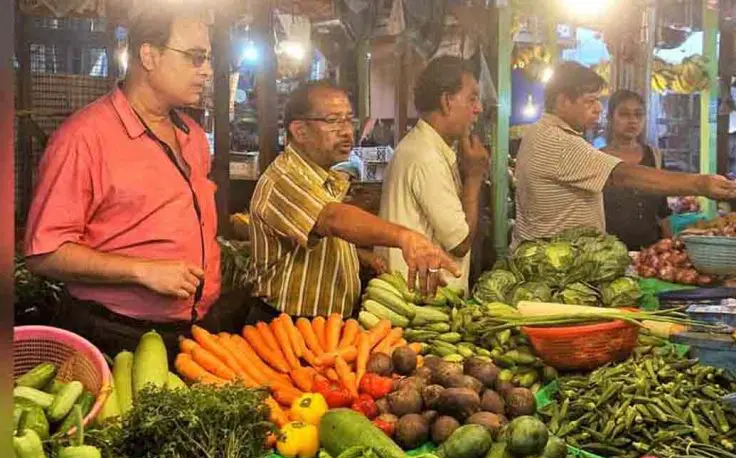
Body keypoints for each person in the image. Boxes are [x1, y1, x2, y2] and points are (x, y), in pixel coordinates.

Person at [24, 5, 222, 360]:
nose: (207, 70)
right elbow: (45, 253)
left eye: (207, 59)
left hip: (191, 332)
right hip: (113, 333)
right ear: (149, 54)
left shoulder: (192, 134)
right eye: (196, 58)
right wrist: (141, 271)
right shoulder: (84, 138)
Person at [247, 81, 459, 322]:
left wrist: (358, 255)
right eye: (333, 121)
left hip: (329, 326)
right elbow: (332, 219)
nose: (347, 131)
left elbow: (312, 240)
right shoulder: (284, 179)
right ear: (300, 130)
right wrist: (405, 237)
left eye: (349, 120)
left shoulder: (324, 175)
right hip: (286, 326)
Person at [513, 61, 736, 247]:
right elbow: (622, 175)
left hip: (556, 260)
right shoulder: (557, 140)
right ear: (563, 101)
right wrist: (701, 184)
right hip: (552, 267)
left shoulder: (542, 133)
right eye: (590, 101)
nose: (597, 108)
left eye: (598, 101)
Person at [378, 56, 488, 292]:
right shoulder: (426, 156)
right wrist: (474, 178)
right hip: (422, 303)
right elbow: (460, 243)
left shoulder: (429, 147)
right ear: (447, 101)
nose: (478, 108)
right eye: (472, 99)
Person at [602, 90, 673, 251]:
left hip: (651, 250)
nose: (632, 121)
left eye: (638, 115)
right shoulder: (598, 158)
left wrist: (670, 244)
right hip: (609, 251)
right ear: (610, 118)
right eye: (624, 114)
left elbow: (662, 208)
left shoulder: (655, 156)